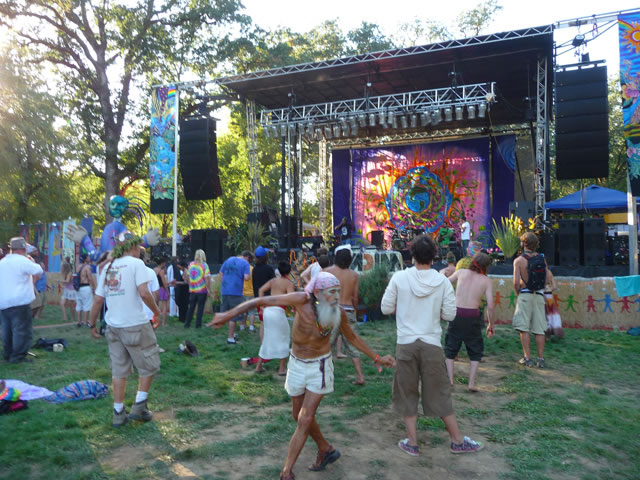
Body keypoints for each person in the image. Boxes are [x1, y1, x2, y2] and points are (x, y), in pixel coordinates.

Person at [207, 271, 394, 480]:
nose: (336, 296)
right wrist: (227, 315)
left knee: (305, 418)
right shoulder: (301, 300)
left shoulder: (338, 312)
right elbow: (260, 300)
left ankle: (286, 471)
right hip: (296, 364)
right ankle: (325, 448)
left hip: (319, 367)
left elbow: (352, 337)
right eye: (331, 292)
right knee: (297, 415)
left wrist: (377, 357)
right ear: (317, 292)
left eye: (338, 291)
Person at [381, 234, 484, 456]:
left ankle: (412, 443)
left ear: (412, 254)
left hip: (406, 344)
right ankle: (457, 440)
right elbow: (450, 314)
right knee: (440, 392)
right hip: (432, 345)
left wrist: (405, 307)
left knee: (407, 393)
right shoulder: (442, 281)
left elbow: (385, 308)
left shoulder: (399, 278)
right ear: (434, 256)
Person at [88, 234, 161, 428]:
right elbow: (144, 293)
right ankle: (139, 407)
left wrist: (92, 324)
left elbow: (98, 299)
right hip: (136, 324)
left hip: (113, 326)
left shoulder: (108, 267)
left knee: (119, 370)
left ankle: (118, 413)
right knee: (149, 365)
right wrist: (157, 312)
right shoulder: (137, 264)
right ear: (134, 246)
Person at [445, 252, 494, 392]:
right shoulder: (486, 281)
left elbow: (445, 283)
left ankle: (450, 380)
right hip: (473, 316)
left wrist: (442, 274)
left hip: (456, 314)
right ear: (486, 266)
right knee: (475, 350)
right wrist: (491, 324)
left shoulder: (461, 272)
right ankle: (471, 383)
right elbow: (490, 306)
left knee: (450, 348)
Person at [324, 247, 366, 385]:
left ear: (335, 258)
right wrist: (355, 311)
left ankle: (323, 376)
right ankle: (360, 376)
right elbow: (355, 298)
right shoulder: (354, 275)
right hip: (348, 311)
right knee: (353, 345)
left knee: (325, 346)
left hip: (331, 311)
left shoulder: (326, 272)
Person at [0, 237, 43, 363]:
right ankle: (18, 356)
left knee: (7, 330)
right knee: (21, 330)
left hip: (3, 301)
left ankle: (8, 354)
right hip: (19, 301)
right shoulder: (22, 260)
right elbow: (38, 270)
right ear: (23, 249)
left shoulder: (2, 262)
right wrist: (30, 260)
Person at [512, 232, 551, 368]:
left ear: (523, 243)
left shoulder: (518, 261)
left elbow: (516, 282)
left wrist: (518, 292)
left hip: (525, 295)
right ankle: (541, 359)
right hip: (539, 295)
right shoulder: (542, 259)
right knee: (539, 329)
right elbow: (548, 278)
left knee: (524, 328)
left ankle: (527, 358)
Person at [255, 261, 295, 375]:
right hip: (278, 311)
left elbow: (261, 290)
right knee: (284, 337)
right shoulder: (288, 283)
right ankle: (281, 369)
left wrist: (261, 305)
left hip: (268, 311)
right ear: (289, 272)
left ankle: (258, 366)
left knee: (268, 337)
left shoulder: (273, 281)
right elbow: (291, 298)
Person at [219, 250, 251, 344]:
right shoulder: (245, 263)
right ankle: (230, 338)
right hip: (236, 292)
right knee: (234, 316)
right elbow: (246, 277)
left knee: (228, 314)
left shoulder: (229, 259)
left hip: (225, 290)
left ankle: (233, 333)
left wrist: (224, 284)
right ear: (247, 258)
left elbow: (221, 273)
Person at [184, 249, 211, 329]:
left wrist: (190, 285)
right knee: (200, 308)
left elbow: (187, 276)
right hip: (202, 290)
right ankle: (198, 325)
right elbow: (207, 278)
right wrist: (208, 289)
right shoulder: (204, 265)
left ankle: (187, 324)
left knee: (191, 307)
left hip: (192, 290)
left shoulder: (191, 264)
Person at [76, 254, 96, 327]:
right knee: (87, 304)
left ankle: (79, 322)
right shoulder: (87, 267)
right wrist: (94, 287)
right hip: (85, 287)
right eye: (88, 257)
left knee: (79, 304)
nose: (89, 258)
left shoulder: (78, 267)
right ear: (85, 259)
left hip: (78, 288)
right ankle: (85, 321)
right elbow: (90, 278)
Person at [544, 269, 564, 340]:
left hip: (542, 296)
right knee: (552, 315)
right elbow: (554, 287)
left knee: (545, 315)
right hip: (550, 296)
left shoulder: (539, 271)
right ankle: (553, 333)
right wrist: (549, 290)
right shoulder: (549, 272)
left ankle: (546, 335)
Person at [168, 257, 189, 323]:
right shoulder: (183, 271)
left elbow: (186, 282)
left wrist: (176, 282)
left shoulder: (186, 272)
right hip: (182, 290)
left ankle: (184, 318)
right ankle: (181, 317)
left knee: (184, 304)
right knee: (181, 304)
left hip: (185, 290)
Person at [242, 252, 257, 332]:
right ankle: (251, 327)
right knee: (252, 311)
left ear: (247, 258)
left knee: (243, 310)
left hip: (242, 292)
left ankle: (242, 326)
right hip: (251, 292)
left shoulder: (241, 268)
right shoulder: (252, 269)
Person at [59, 259, 77, 323]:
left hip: (71, 291)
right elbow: (65, 282)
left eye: (62, 267)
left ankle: (73, 319)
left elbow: (67, 281)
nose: (61, 268)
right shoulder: (64, 273)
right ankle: (65, 317)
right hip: (66, 290)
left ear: (65, 267)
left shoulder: (70, 273)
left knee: (71, 306)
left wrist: (59, 280)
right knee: (62, 303)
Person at [30, 255, 48, 320]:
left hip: (44, 289)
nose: (44, 265)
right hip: (39, 289)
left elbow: (44, 280)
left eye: (43, 264)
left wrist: (47, 285)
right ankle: (36, 315)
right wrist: (34, 290)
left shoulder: (44, 272)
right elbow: (34, 281)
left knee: (43, 304)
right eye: (42, 265)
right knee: (39, 304)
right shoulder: (38, 272)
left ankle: (39, 315)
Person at [153, 257, 169, 327]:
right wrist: (167, 291)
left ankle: (155, 322)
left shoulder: (154, 270)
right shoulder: (161, 271)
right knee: (164, 306)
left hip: (155, 289)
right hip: (162, 289)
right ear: (162, 263)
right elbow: (164, 283)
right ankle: (163, 323)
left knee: (155, 306)